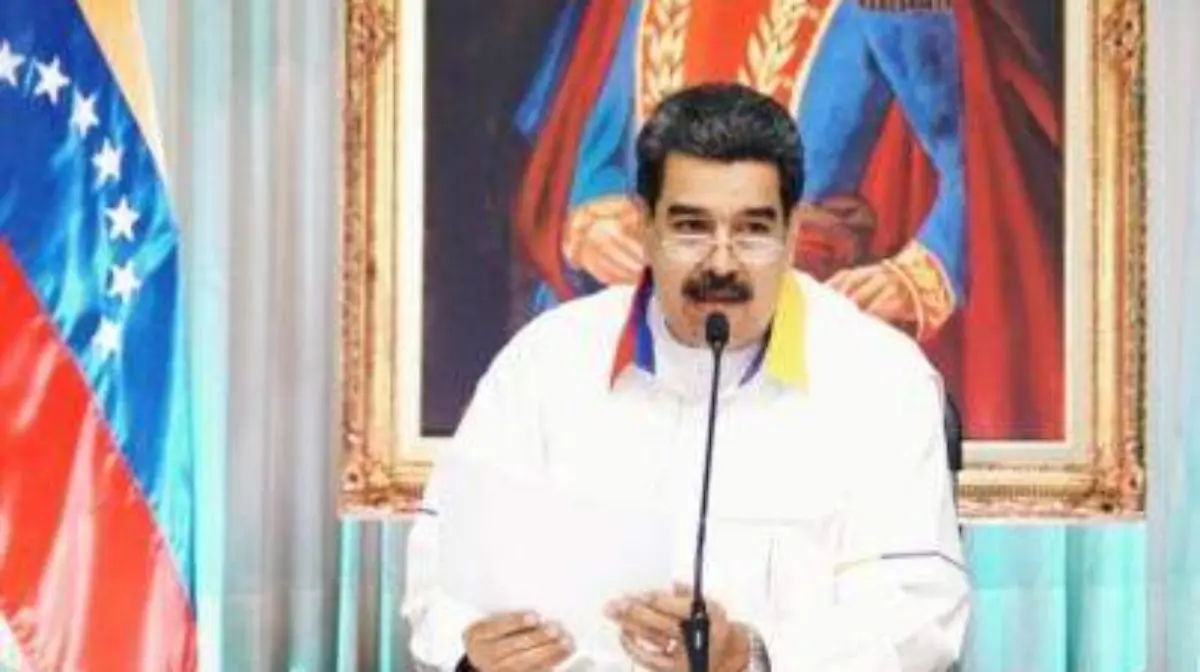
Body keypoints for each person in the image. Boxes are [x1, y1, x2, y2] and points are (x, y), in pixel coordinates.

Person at [404, 83, 970, 671]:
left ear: (792, 234)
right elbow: (442, 570)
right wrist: (473, 653)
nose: (721, 262)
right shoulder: (546, 364)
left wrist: (751, 657)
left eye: (752, 230)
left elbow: (919, 618)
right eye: (692, 228)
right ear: (646, 228)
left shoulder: (881, 380)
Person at [511, 0, 1063, 441]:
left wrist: (915, 276)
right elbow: (593, 150)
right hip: (640, 337)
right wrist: (593, 218)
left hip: (803, 346)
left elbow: (982, 157)